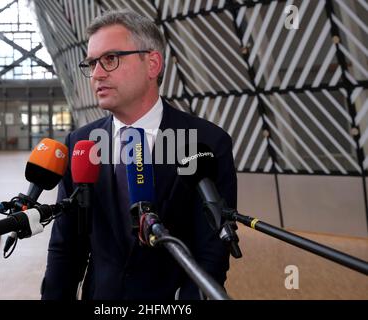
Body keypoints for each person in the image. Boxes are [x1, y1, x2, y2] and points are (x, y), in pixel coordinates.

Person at [41, 9, 237, 300]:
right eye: (91, 63)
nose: (96, 74)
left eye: (110, 59)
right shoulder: (81, 144)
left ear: (152, 63)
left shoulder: (206, 143)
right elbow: (66, 247)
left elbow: (211, 254)